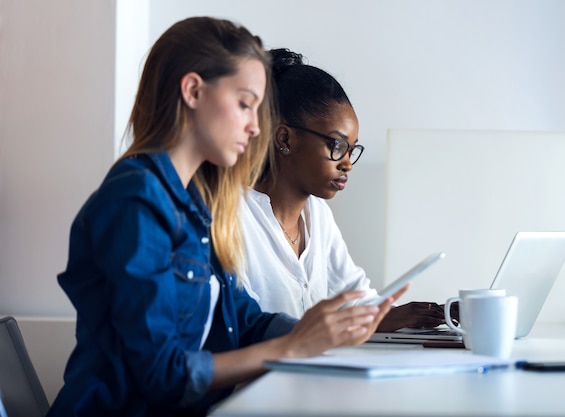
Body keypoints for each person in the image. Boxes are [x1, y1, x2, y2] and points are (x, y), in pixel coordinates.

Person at [47, 18, 405, 417]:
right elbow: (162, 373)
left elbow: (243, 320)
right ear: (194, 91)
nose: (255, 128)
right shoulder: (136, 200)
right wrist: (291, 346)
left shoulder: (195, 203)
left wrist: (319, 332)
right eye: (244, 104)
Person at [239, 48, 453, 333]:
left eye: (352, 150)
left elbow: (355, 298)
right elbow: (244, 328)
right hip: (263, 377)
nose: (348, 164)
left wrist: (400, 315)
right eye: (337, 146)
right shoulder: (234, 217)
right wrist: (370, 319)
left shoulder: (319, 216)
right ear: (285, 138)